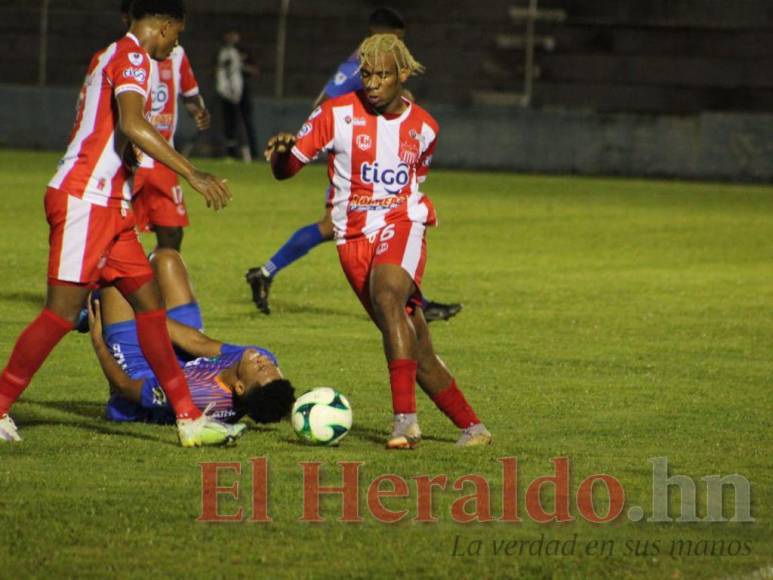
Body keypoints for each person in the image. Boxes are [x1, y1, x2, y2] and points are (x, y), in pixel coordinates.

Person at [0, 0, 239, 447]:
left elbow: (111, 125)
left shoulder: (114, 56)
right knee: (61, 313)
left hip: (112, 205)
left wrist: (128, 157)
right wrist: (193, 172)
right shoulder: (132, 56)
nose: (177, 44)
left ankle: (188, 418)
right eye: (178, 35)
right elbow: (131, 122)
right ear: (166, 27)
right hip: (84, 201)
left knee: (150, 308)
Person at [263, 34, 492, 448]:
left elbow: (414, 185)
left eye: (382, 75)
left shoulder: (425, 128)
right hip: (351, 238)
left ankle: (404, 421)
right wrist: (282, 153)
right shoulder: (334, 115)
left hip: (402, 222)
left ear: (402, 75)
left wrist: (402, 218)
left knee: (388, 296)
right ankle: (472, 427)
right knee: (414, 344)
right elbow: (287, 169)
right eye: (366, 74)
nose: (371, 83)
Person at [245, 8, 462, 323]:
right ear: (375, 34)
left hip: (374, 158)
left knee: (361, 226)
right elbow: (323, 104)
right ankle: (266, 271)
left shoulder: (378, 64)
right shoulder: (355, 65)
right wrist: (332, 135)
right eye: (393, 39)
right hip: (354, 162)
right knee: (337, 225)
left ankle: (265, 272)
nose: (397, 47)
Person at [89, 249, 295, 425]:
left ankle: (84, 307)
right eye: (272, 366)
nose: (264, 360)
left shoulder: (200, 394)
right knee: (167, 259)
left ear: (239, 387)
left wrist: (99, 343)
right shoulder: (254, 362)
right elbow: (199, 343)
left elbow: (125, 387)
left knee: (117, 277)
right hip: (183, 361)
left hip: (142, 374)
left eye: (261, 367)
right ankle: (101, 307)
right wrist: (145, 314)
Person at [121, 0, 211, 253]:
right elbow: (128, 119)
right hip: (131, 159)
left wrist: (197, 110)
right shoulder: (122, 58)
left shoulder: (177, 54)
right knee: (118, 230)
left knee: (171, 233)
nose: (177, 41)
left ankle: (156, 284)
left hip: (164, 158)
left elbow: (190, 93)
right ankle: (101, 289)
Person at [216, 30, 259, 161]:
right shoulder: (222, 52)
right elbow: (214, 70)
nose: (231, 38)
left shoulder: (244, 51)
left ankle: (252, 152)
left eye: (233, 35)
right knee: (229, 123)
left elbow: (255, 71)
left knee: (246, 122)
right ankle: (231, 153)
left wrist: (241, 66)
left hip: (243, 93)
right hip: (226, 93)